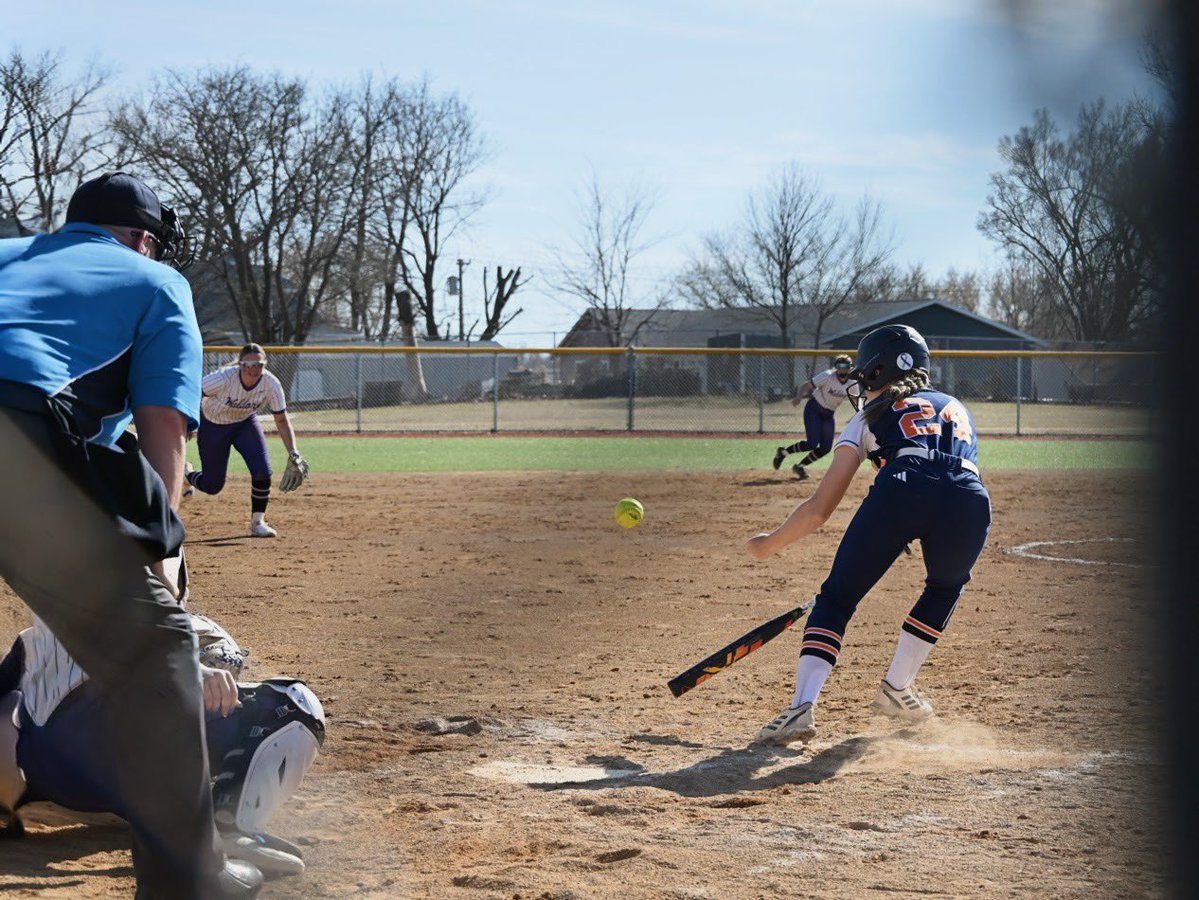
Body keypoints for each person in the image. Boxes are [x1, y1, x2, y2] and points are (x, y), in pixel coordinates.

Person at [0, 172, 263, 894]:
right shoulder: (154, 280)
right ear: (144, 239)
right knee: (155, 651)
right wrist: (158, 559)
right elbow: (162, 432)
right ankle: (190, 878)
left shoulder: (8, 253)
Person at [0, 562, 326, 881]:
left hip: (41, 775)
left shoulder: (38, 616)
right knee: (292, 704)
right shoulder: (142, 552)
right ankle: (230, 825)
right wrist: (193, 669)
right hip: (118, 755)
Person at [747, 325, 992, 746]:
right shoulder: (956, 405)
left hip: (902, 487)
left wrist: (771, 542)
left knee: (837, 599)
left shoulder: (867, 417)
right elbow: (946, 475)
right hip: (971, 499)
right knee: (945, 588)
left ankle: (801, 708)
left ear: (879, 371)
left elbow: (820, 509)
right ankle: (898, 688)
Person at [185, 343, 309, 538]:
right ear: (240, 365)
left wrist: (294, 452)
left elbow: (282, 420)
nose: (253, 369)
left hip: (245, 424)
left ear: (265, 365)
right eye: (248, 364)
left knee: (262, 471)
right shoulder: (224, 377)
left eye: (259, 365)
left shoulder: (271, 384)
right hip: (213, 424)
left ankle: (257, 522)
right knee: (212, 485)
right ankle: (188, 475)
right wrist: (188, 422)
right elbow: (192, 393)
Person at [772, 354, 856, 480]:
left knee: (825, 448)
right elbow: (806, 385)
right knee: (812, 443)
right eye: (840, 366)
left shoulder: (852, 382)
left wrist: (861, 411)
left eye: (846, 367)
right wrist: (799, 397)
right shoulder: (828, 376)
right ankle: (783, 452)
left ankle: (800, 466)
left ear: (850, 368)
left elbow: (856, 399)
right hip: (814, 410)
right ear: (836, 367)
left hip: (829, 414)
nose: (842, 370)